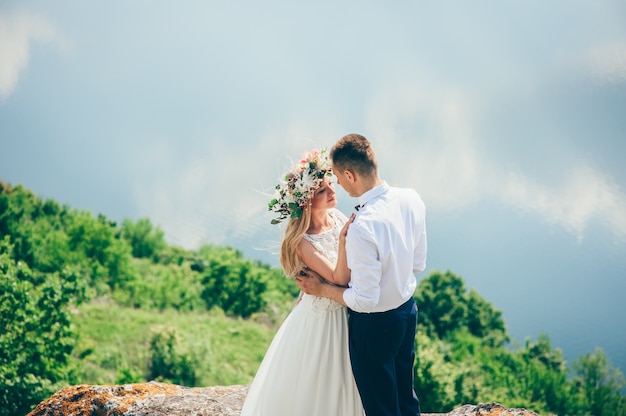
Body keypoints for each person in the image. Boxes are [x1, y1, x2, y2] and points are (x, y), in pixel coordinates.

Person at [295, 133, 427, 416]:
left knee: (381, 407)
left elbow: (366, 300)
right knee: (406, 398)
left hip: (374, 326)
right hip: (407, 312)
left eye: (337, 179)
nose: (337, 186)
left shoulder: (361, 227)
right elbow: (417, 264)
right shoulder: (411, 198)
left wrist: (323, 289)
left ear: (349, 175)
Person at [240, 148, 365, 416]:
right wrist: (343, 240)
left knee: (347, 383)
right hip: (324, 322)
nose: (332, 191)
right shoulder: (303, 242)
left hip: (345, 314)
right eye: (322, 190)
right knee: (321, 381)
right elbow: (340, 278)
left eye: (330, 184)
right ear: (306, 201)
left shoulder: (337, 217)